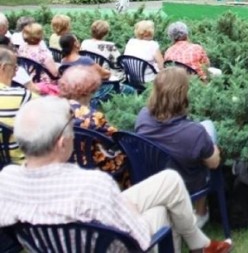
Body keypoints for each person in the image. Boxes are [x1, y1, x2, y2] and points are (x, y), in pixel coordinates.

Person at [0, 96, 232, 253]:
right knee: (162, 213)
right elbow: (139, 236)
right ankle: (199, 245)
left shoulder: (7, 179)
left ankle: (200, 244)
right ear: (61, 143)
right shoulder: (91, 184)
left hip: (67, 234)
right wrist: (127, 209)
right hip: (99, 245)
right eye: (72, 131)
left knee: (169, 181)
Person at [135, 67, 222, 228]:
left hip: (152, 176)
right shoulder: (194, 132)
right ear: (182, 95)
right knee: (208, 130)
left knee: (206, 128)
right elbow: (214, 164)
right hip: (185, 182)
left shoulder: (143, 116)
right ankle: (200, 213)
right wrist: (213, 148)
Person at [58, 65, 125, 175]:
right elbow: (118, 139)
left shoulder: (51, 110)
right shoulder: (93, 116)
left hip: (60, 166)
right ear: (91, 89)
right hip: (93, 168)